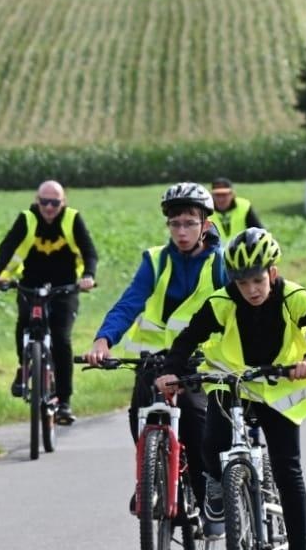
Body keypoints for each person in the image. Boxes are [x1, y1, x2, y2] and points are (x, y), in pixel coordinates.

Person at [156, 228, 306, 550]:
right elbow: (188, 339)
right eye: (242, 283)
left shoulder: (294, 297)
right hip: (232, 383)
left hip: (278, 388)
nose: (251, 290)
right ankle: (217, 486)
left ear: (272, 272)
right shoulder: (222, 302)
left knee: (289, 471)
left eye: (257, 280)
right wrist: (171, 370)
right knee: (212, 443)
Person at [84, 182, 228, 530]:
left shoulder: (219, 263)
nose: (182, 232)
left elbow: (234, 309)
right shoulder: (156, 260)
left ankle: (206, 495)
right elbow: (129, 303)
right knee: (140, 411)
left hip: (199, 359)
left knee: (196, 420)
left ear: (205, 225)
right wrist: (103, 340)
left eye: (189, 223)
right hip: (155, 358)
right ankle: (150, 478)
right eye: (175, 224)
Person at [0, 180, 99, 424]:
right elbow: (7, 248)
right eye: (44, 202)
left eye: (54, 203)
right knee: (24, 322)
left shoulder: (72, 219)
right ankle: (23, 367)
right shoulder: (27, 219)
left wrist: (88, 276)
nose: (49, 207)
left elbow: (89, 251)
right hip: (31, 285)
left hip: (64, 288)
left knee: (61, 339)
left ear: (63, 202)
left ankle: (64, 402)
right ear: (37, 201)